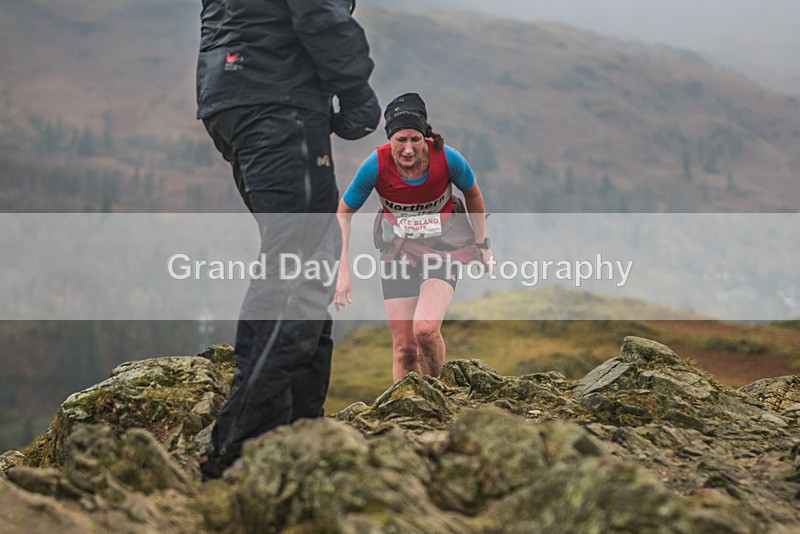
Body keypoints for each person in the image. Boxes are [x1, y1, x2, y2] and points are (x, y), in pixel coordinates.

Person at [196, 0, 380, 480]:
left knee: (307, 255)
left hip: (236, 92)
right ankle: (242, 443)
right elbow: (316, 10)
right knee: (299, 261)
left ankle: (297, 430)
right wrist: (356, 92)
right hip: (275, 96)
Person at [334, 93, 492, 383]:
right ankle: (407, 415)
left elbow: (473, 193)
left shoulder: (447, 158)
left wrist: (482, 244)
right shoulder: (376, 165)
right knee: (405, 349)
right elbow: (343, 213)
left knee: (425, 330)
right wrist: (342, 267)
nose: (408, 149)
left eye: (415, 140)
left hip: (443, 248)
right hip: (399, 250)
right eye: (400, 140)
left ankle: (442, 397)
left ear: (425, 136)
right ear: (389, 139)